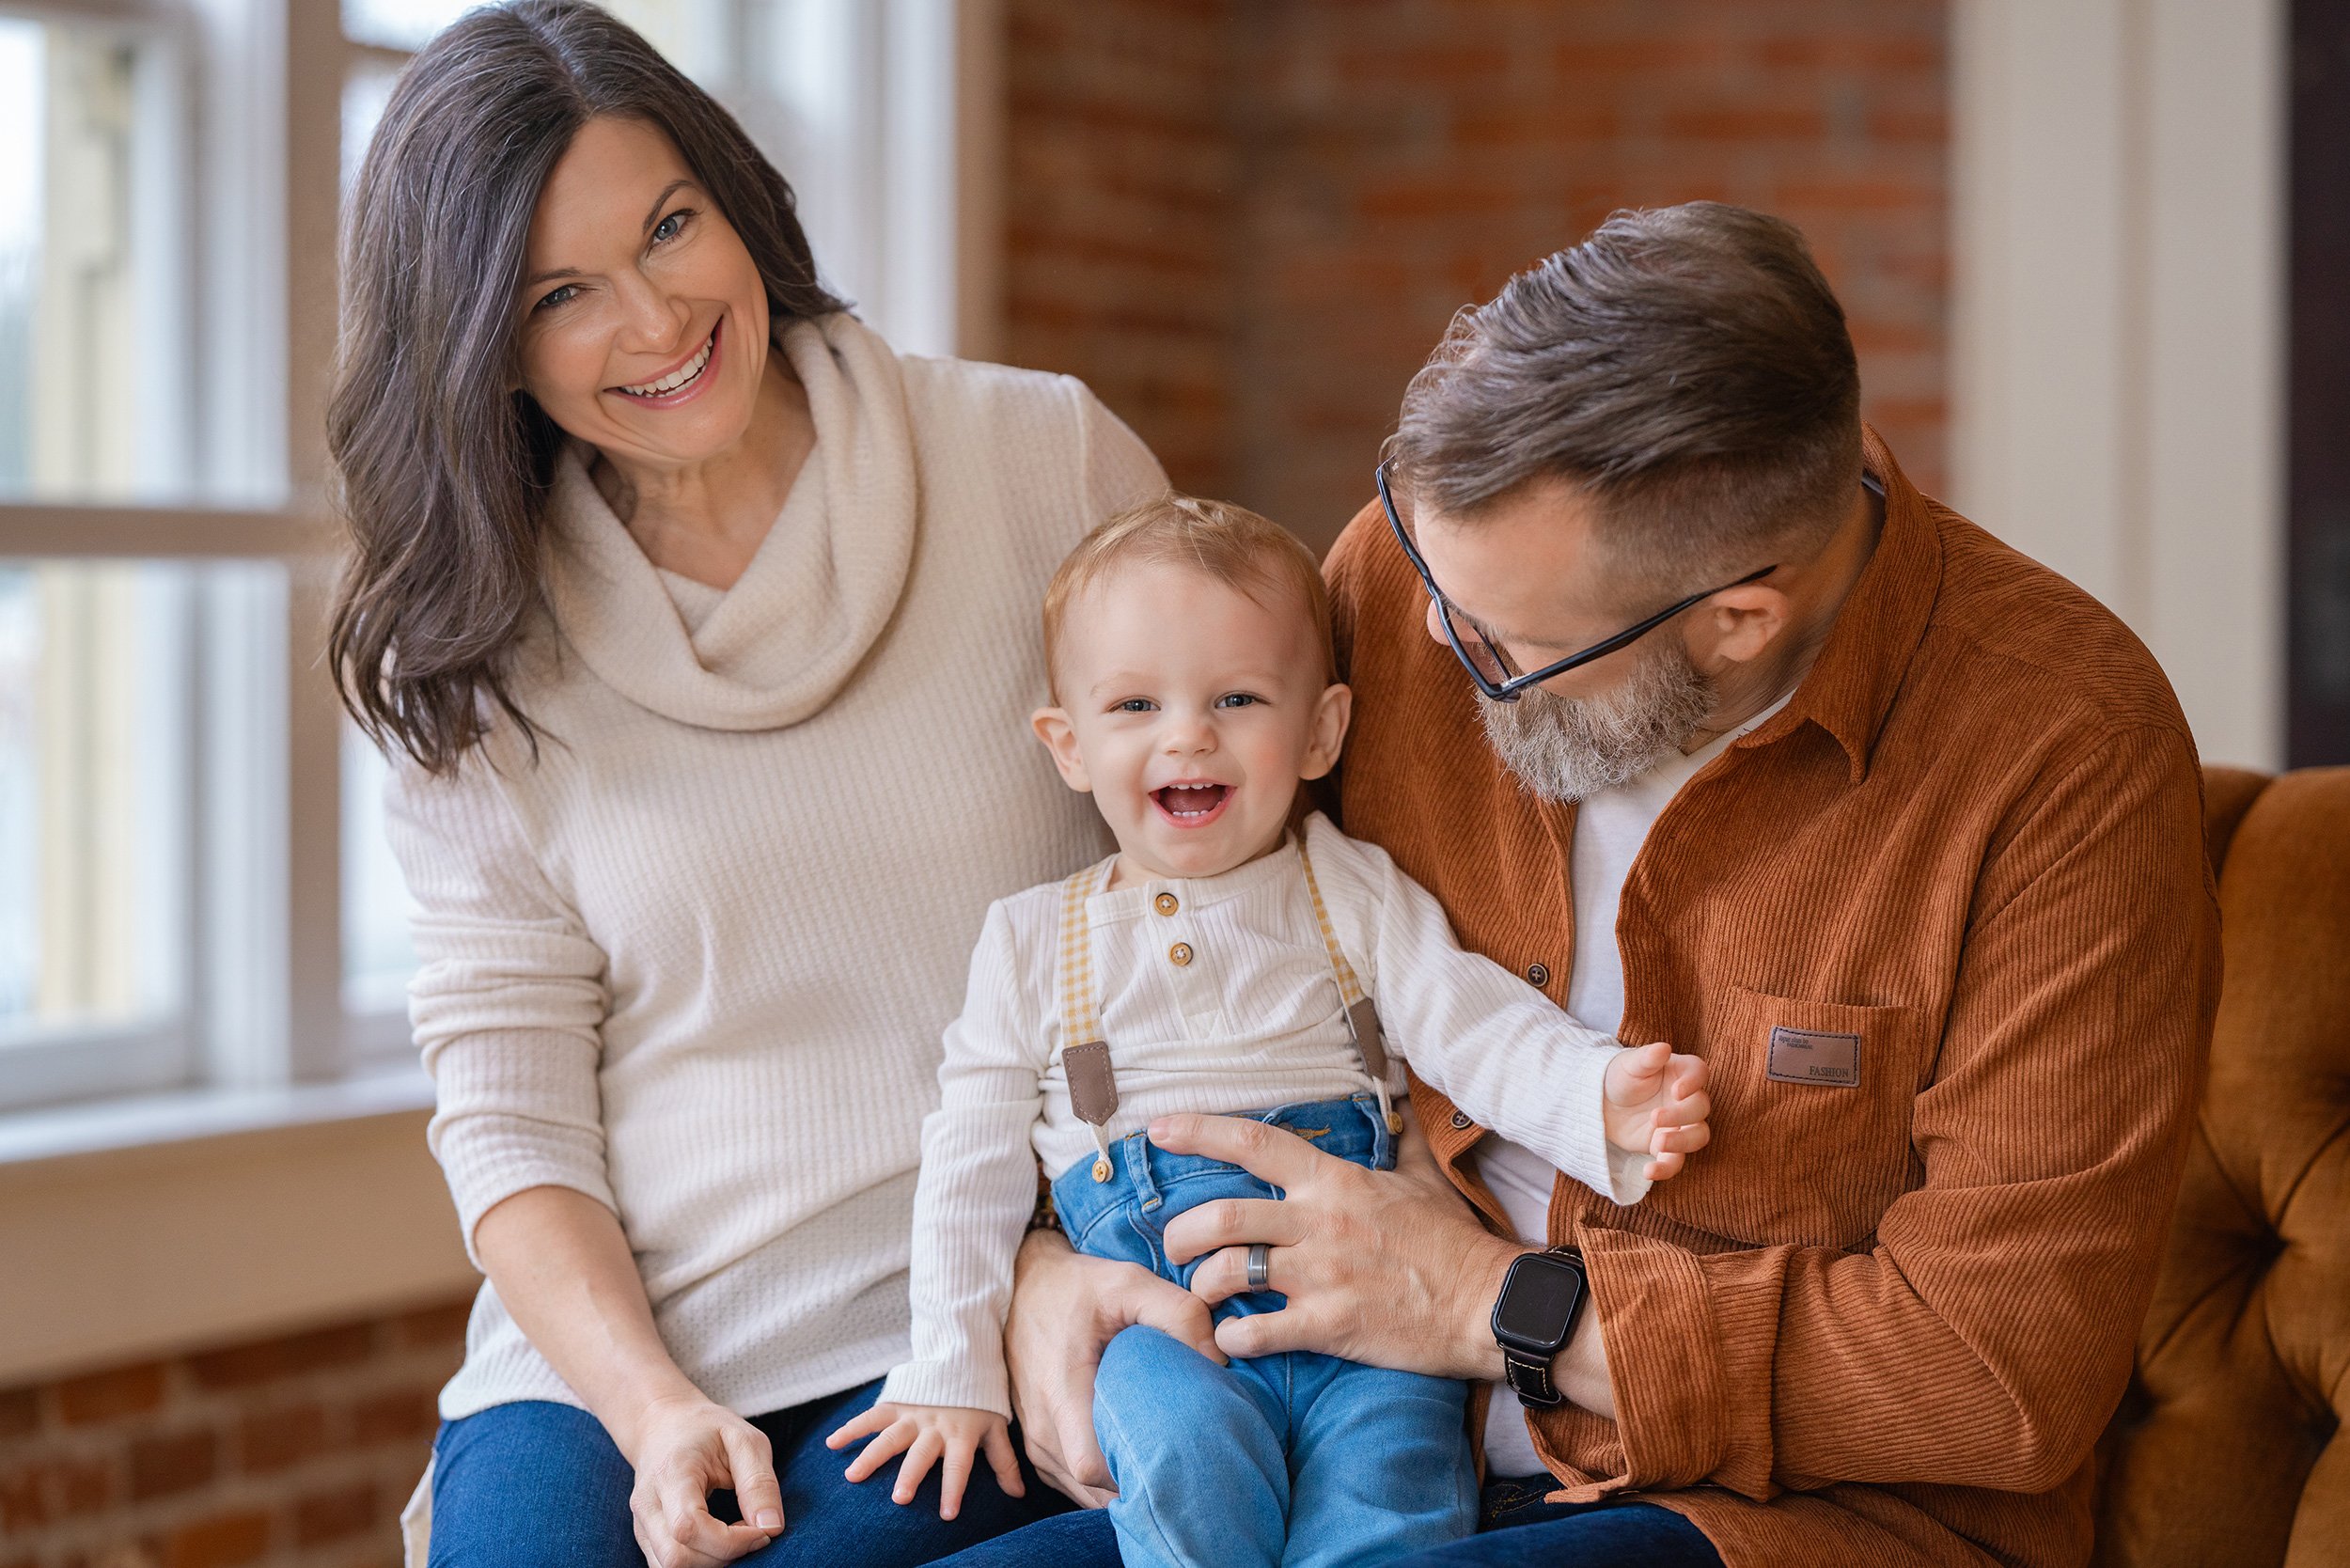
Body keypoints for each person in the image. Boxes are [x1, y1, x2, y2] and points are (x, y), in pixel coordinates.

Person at [968, 203, 2218, 1568]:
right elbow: (1178, 947)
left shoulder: (2064, 749)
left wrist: (1489, 1304)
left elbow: (1996, 1380)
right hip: (1306, 1421)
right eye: (1419, 564)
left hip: (1774, 1522)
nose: (1431, 637)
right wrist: (1043, 1270)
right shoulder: (1413, 582)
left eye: (1504, 645)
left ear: (1741, 617)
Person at [327, 4, 1200, 1563]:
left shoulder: (1039, 461)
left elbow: (1224, 890)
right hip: (608, 1347)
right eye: (562, 295)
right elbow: (512, 1118)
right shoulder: (473, 640)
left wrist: (1066, 1245)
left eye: (670, 226)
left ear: (735, 196)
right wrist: (653, 1406)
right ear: (483, 349)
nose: (657, 318)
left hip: (953, 1298)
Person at [822, 496, 1712, 1568]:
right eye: (1136, 704)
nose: (1187, 733)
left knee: (1391, 1496)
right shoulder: (1030, 938)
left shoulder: (1346, 888)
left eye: (1237, 697)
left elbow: (1469, 1020)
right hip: (1160, 1322)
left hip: (1368, 1321)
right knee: (1183, 1463)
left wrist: (1592, 1098)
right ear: (1066, 744)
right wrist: (949, 1368)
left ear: (1321, 731)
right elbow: (967, 1168)